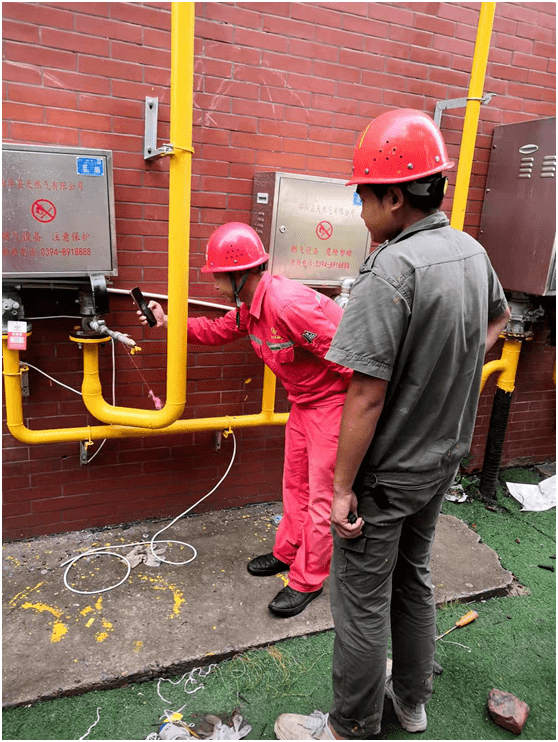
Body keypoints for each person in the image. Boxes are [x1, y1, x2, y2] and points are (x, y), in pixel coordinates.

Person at [274, 108, 511, 739]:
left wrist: (342, 487)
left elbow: (365, 398)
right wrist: (451, 371)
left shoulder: (390, 272)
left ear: (395, 196)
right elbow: (496, 322)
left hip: (384, 476)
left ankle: (350, 726)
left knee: (360, 605)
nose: (358, 208)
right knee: (414, 578)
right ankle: (410, 705)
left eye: (363, 194)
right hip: (440, 463)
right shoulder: (470, 250)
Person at [137, 222, 352, 618]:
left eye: (217, 275)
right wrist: (168, 323)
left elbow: (351, 363)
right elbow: (216, 330)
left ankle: (309, 580)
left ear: (238, 275)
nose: (214, 283)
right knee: (295, 485)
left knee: (322, 499)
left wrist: (360, 422)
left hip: (333, 407)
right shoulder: (251, 309)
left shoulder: (289, 306)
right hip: (304, 404)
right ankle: (287, 553)